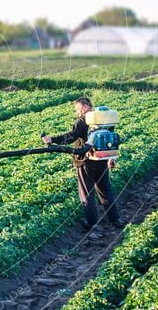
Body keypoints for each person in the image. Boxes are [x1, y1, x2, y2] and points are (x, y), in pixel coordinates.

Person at [42, 96, 124, 231]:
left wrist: (52, 139)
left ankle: (92, 223)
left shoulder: (82, 121)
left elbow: (71, 136)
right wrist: (111, 158)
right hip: (101, 160)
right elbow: (112, 142)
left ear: (85, 107)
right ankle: (115, 220)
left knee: (86, 193)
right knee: (105, 190)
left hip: (85, 162)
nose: (77, 112)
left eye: (78, 109)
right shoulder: (103, 120)